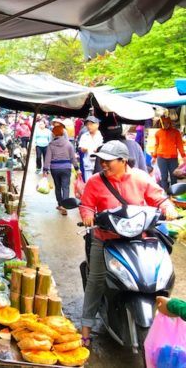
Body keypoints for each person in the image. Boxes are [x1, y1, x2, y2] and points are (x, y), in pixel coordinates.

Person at [78, 140, 177, 347]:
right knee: (95, 281)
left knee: (155, 276)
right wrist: (87, 216)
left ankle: (165, 323)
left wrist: (167, 207)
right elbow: (86, 205)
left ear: (123, 160)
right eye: (101, 161)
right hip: (105, 238)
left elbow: (159, 198)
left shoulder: (141, 177)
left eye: (108, 161)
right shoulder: (95, 181)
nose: (103, 164)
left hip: (137, 237)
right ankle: (86, 327)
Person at [43, 126, 77, 215]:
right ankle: (65, 206)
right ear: (63, 133)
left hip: (55, 169)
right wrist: (76, 168)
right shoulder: (69, 144)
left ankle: (60, 204)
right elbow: (73, 157)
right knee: (65, 187)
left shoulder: (51, 145)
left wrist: (45, 170)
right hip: (66, 168)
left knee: (58, 187)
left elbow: (47, 158)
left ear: (54, 134)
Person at [153, 115, 185, 191]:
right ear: (161, 123)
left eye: (167, 123)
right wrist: (154, 156)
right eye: (163, 123)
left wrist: (183, 156)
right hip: (161, 158)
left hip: (173, 158)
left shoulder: (176, 132)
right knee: (163, 177)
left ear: (170, 123)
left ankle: (174, 193)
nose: (165, 124)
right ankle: (165, 194)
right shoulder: (158, 133)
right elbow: (156, 145)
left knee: (174, 176)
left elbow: (179, 144)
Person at [78, 116, 103, 181]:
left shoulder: (101, 135)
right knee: (88, 183)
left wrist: (98, 150)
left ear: (97, 125)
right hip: (88, 163)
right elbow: (81, 148)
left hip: (99, 164)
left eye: (91, 124)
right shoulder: (84, 136)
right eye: (87, 124)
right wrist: (83, 149)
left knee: (98, 184)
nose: (89, 126)